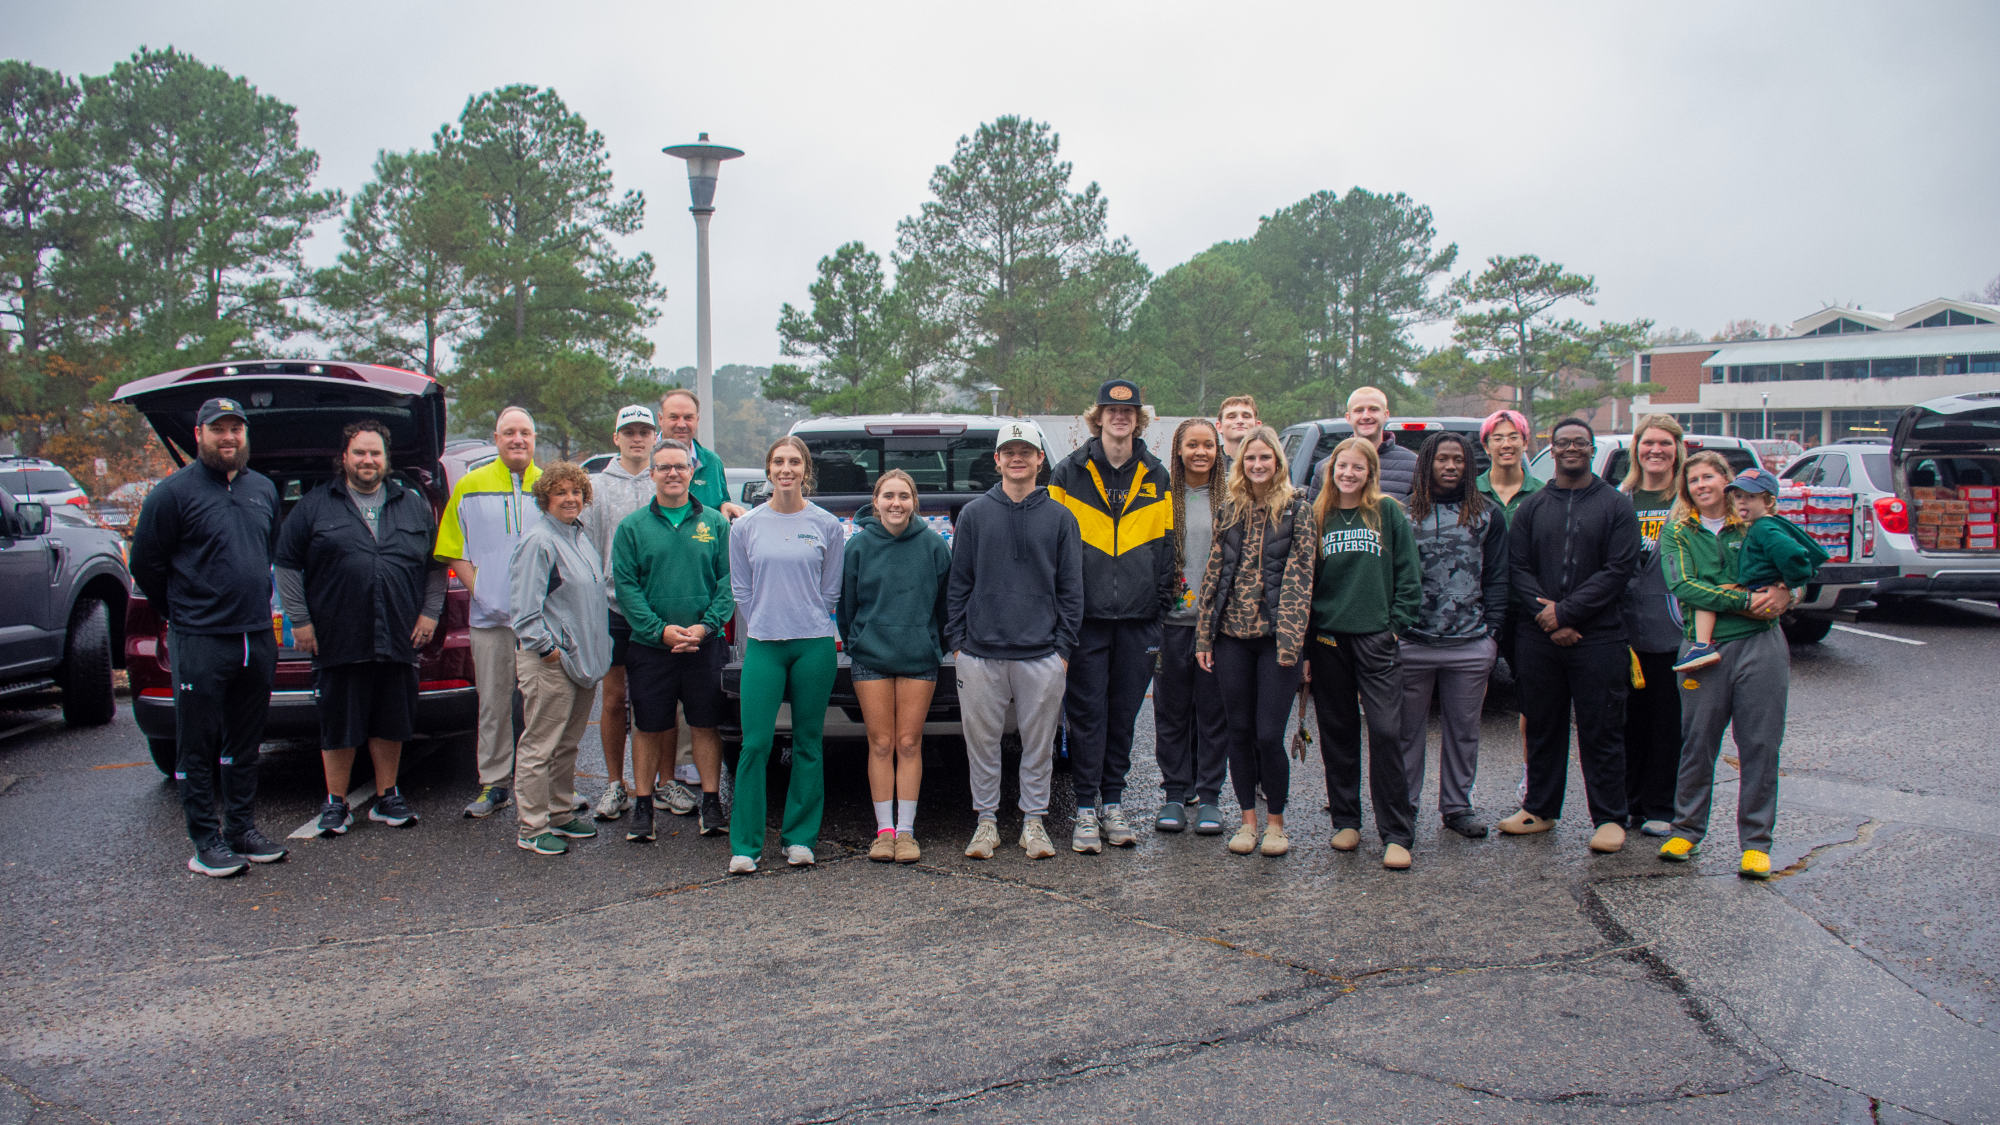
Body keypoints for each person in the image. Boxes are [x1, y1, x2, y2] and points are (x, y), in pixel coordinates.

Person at [130, 396, 288, 876]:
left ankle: (241, 828)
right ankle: (205, 842)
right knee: (196, 743)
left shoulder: (262, 489)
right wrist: (182, 610)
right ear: (199, 434)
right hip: (200, 637)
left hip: (255, 635)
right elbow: (146, 566)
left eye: (236, 429)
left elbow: (268, 552)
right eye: (218, 429)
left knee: (245, 742)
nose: (229, 437)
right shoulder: (172, 494)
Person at [277, 420, 446, 837]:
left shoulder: (412, 505)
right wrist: (299, 619)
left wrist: (430, 613)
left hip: (399, 632)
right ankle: (335, 803)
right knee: (339, 722)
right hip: (337, 634)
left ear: (387, 460)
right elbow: (286, 563)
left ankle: (388, 796)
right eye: (359, 453)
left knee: (391, 720)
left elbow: (437, 565)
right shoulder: (315, 505)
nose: (368, 460)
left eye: (375, 453)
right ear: (344, 458)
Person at [1500, 417, 1641, 854]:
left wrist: (1567, 612)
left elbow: (1620, 570)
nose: (1572, 449)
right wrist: (1549, 617)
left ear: (1592, 449)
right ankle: (1539, 808)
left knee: (1602, 730)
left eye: (1581, 442)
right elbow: (1516, 568)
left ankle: (1610, 818)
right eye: (1564, 443)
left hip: (1599, 637)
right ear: (1552, 448)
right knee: (1542, 725)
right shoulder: (1533, 507)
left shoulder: (1616, 505)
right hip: (1538, 637)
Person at [1048, 378, 1176, 854]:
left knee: (1123, 716)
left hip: (1140, 620)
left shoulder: (1157, 475)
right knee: (1086, 715)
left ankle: (1113, 805)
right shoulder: (1068, 473)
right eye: (1110, 410)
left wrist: (1158, 611)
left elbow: (1167, 551)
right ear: (1097, 416)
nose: (1119, 418)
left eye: (1128, 412)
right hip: (1086, 620)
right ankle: (1084, 808)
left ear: (1138, 419)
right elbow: (1056, 553)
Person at [947, 419, 1084, 862]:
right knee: (982, 745)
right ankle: (986, 823)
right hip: (980, 653)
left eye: (1027, 450)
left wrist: (1062, 649)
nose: (1018, 457)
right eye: (1010, 451)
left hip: (1042, 654)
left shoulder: (1061, 518)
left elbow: (1071, 590)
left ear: (1041, 459)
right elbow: (958, 584)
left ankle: (1033, 823)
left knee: (1038, 745)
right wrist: (958, 644)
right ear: (997, 460)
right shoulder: (974, 514)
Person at [1657, 452, 1794, 878]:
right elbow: (1684, 586)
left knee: (1760, 744)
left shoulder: (1755, 524)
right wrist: (1744, 599)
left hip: (1761, 645)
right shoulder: (1678, 532)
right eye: (1693, 478)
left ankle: (1756, 843)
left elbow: (1790, 568)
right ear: (1687, 488)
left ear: (1725, 482)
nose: (1702, 484)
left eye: (1709, 476)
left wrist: (1791, 592)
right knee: (1697, 742)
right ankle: (1687, 829)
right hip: (1704, 649)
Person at [1195, 426, 1317, 858]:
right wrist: (1204, 634)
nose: (1258, 464)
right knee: (1239, 732)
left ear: (1278, 463)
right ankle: (1246, 821)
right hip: (1231, 638)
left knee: (1269, 735)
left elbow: (1303, 577)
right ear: (1241, 463)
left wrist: (1293, 642)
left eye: (1265, 458)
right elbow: (1214, 574)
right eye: (1250, 458)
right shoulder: (1229, 509)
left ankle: (1275, 825)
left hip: (1275, 641)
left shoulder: (1297, 509)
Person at [727, 435, 845, 874]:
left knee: (808, 743)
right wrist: (763, 618)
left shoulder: (827, 526)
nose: (786, 469)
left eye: (794, 462)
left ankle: (800, 839)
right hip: (764, 645)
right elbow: (741, 587)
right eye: (779, 461)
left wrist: (810, 616)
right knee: (755, 744)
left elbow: (831, 588)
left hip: (813, 645)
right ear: (769, 469)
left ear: (805, 470)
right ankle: (746, 845)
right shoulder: (747, 526)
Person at [612, 438, 735, 844]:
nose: (673, 473)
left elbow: (727, 583)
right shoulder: (632, 527)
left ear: (690, 472)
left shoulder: (714, 523)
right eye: (663, 467)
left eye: (680, 467)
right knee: (648, 727)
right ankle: (644, 807)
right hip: (651, 648)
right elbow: (626, 589)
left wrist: (705, 626)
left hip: (705, 644)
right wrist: (659, 631)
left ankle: (712, 803)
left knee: (705, 724)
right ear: (652, 474)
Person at [1307, 438, 1422, 869]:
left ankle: (1396, 831)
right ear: (1331, 470)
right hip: (1327, 640)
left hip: (1376, 639)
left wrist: (1394, 628)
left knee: (1386, 733)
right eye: (1342, 467)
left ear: (1370, 471)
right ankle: (1346, 821)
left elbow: (1409, 574)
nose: (1349, 474)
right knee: (1337, 734)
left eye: (1358, 467)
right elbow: (1307, 582)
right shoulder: (1318, 514)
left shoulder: (1387, 512)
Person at [1398, 431, 1508, 840]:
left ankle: (1457, 807)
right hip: (1412, 641)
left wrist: (1492, 635)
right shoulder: (1403, 513)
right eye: (1442, 459)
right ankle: (1404, 807)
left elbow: (1498, 576)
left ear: (1469, 465)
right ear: (1427, 463)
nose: (1450, 467)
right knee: (1406, 732)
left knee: (1464, 731)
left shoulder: (1487, 515)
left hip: (1469, 642)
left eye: (1458, 460)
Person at [839, 469, 952, 864]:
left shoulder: (935, 546)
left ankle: (906, 831)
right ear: (876, 501)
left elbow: (944, 605)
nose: (896, 503)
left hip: (919, 657)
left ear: (914, 503)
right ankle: (883, 831)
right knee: (881, 743)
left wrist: (934, 643)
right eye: (888, 496)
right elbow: (847, 607)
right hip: (871, 658)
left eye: (904, 496)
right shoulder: (858, 547)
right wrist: (859, 641)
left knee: (908, 743)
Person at [435, 406, 542, 819]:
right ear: (496, 438)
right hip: (490, 619)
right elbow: (452, 548)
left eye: (526, 433)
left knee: (541, 704)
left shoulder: (550, 485)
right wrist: (483, 592)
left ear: (535, 440)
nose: (518, 439)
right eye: (509, 432)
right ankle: (494, 783)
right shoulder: (470, 485)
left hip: (540, 619)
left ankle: (543, 784)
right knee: (494, 702)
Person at [508, 462, 612, 856]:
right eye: (562, 493)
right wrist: (548, 649)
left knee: (567, 742)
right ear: (545, 498)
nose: (571, 499)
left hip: (581, 661)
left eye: (577, 492)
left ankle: (560, 811)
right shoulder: (539, 541)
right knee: (540, 744)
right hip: (551, 662)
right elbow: (523, 610)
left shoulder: (579, 535)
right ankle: (532, 826)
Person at [653, 388, 747, 803]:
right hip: (658, 603)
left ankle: (689, 769)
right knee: (656, 704)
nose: (682, 423)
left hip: (705, 597)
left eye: (688, 417)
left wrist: (727, 507)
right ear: (662, 419)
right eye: (674, 416)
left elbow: (718, 506)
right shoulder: (654, 464)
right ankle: (662, 777)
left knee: (698, 695)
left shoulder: (712, 462)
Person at [580, 405, 667, 822]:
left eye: (644, 432)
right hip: (613, 608)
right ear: (616, 437)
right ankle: (615, 785)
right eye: (629, 432)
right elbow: (587, 548)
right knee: (614, 699)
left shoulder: (664, 481)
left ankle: (663, 784)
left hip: (658, 609)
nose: (637, 439)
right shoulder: (597, 488)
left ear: (655, 437)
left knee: (660, 699)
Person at [1154, 417, 1232, 836]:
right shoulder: (1164, 498)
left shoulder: (1231, 498)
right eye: (1192, 445)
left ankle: (1209, 798)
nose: (1200, 452)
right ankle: (1173, 793)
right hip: (1171, 623)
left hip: (1216, 627)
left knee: (1213, 714)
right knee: (1171, 713)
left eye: (1208, 445)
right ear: (1178, 450)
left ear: (1218, 451)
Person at [1674, 468, 1825, 672]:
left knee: (1707, 597)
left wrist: (1791, 583)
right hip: (1758, 590)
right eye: (1738, 497)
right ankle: (1703, 646)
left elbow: (1794, 554)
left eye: (1751, 497)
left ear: (1769, 501)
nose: (1742, 502)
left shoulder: (1764, 528)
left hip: (1759, 591)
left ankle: (1702, 646)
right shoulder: (1760, 525)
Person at [1619, 414, 1691, 836]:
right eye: (1648, 443)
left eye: (1665, 443)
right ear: (1637, 449)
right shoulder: (1621, 498)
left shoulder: (1687, 502)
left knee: (1669, 721)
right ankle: (1631, 804)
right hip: (1626, 628)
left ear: (1677, 449)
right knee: (1630, 721)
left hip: (1673, 629)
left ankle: (1662, 806)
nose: (1656, 451)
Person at [1475, 408, 1543, 805]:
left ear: (1524, 441)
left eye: (1512, 436)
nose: (1505, 443)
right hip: (1479, 607)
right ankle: (1459, 788)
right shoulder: (1472, 492)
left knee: (1532, 699)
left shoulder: (1542, 492)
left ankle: (1532, 779)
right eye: (1497, 437)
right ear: (1486, 445)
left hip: (1526, 610)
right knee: (1469, 702)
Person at [1309, 386, 1419, 504]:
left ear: (1385, 415)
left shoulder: (1413, 465)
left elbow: (1421, 516)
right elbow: (1315, 517)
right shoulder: (1326, 467)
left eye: (1373, 409)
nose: (1366, 416)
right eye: (1359, 410)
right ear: (1348, 417)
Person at [1216, 395, 1260, 462]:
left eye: (1246, 416)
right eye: (1231, 417)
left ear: (1258, 426)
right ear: (1219, 427)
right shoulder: (1209, 465)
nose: (1240, 421)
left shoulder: (1271, 464)